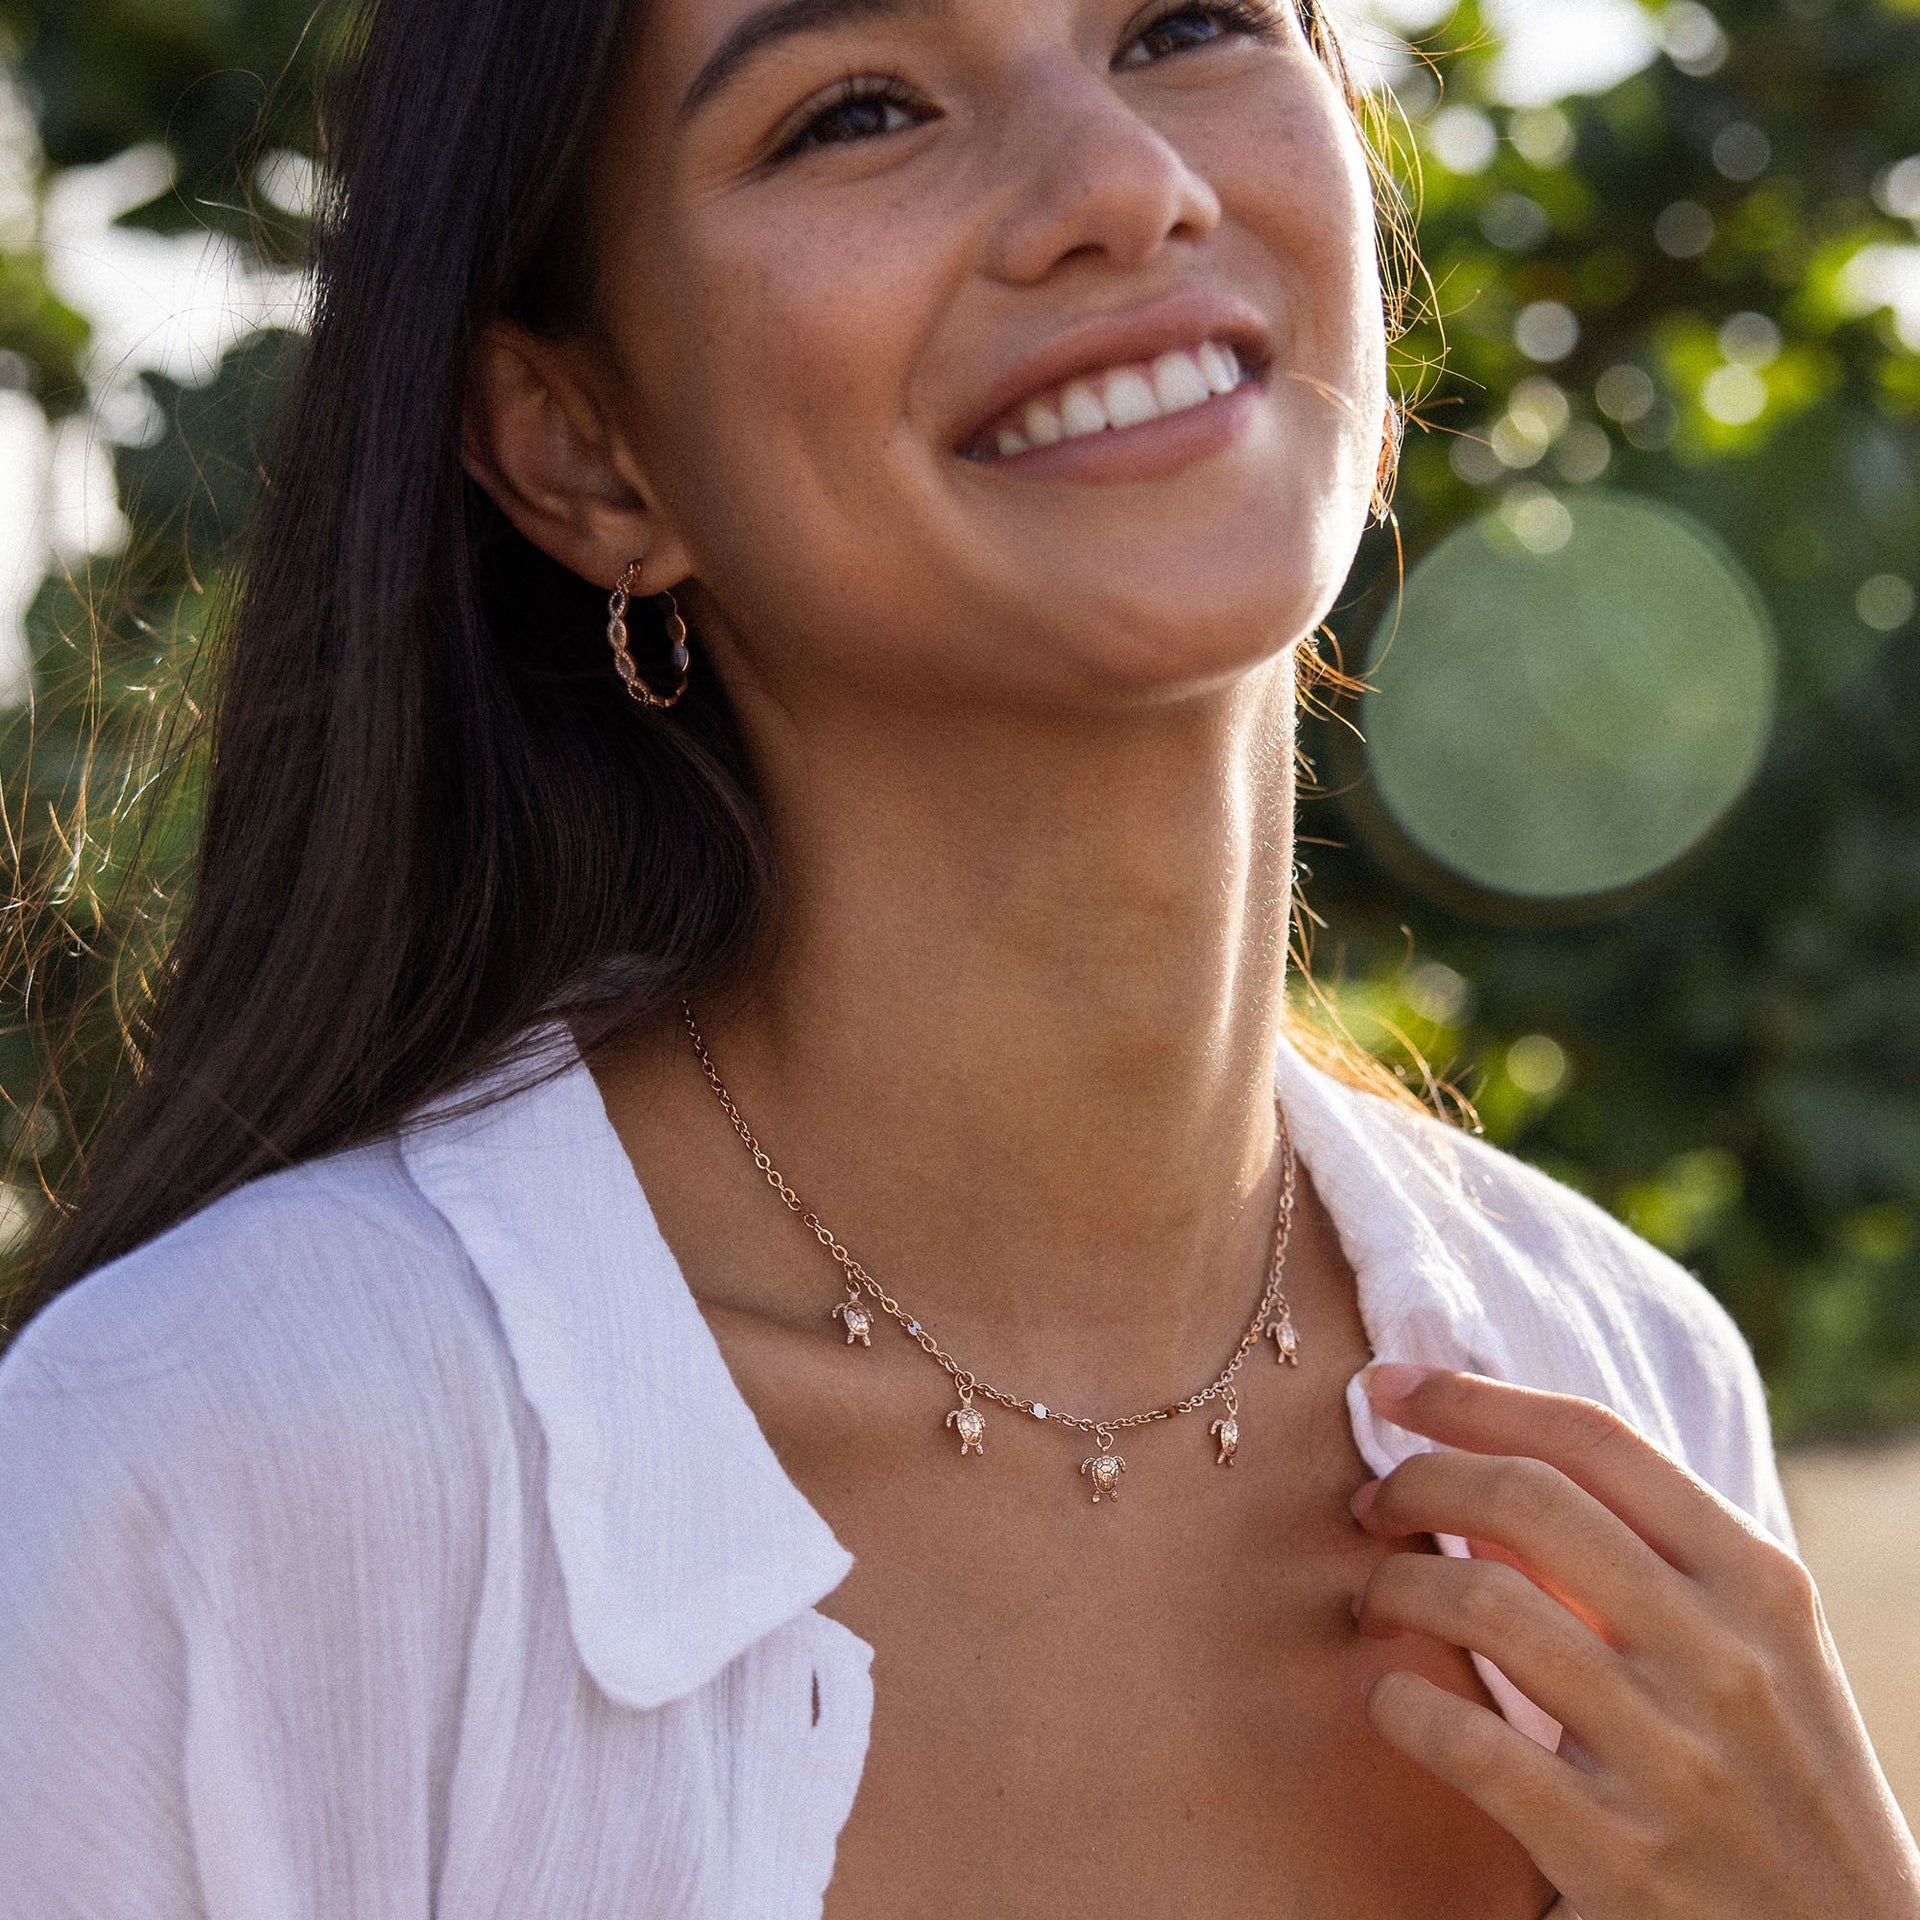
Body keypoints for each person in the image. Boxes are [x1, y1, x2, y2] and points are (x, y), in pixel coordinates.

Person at [0, 0, 1914, 1914]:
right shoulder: (206, 1472)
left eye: (1185, 26)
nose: (1124, 187)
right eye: (857, 111)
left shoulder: (1626, 1389)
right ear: (583, 448)